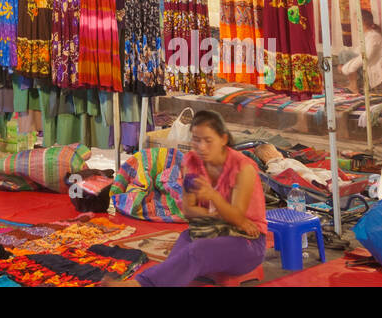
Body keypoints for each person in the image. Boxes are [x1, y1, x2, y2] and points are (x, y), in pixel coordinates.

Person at [111, 110, 266, 287]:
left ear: (223, 139)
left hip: (248, 242)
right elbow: (189, 211)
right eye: (196, 140)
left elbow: (239, 219)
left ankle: (141, 284)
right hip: (212, 230)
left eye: (208, 141)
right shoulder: (191, 162)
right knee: (186, 240)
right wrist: (219, 215)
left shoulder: (243, 168)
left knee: (199, 250)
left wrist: (213, 197)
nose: (201, 147)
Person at [339, 10, 382, 93]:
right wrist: (343, 65)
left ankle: (354, 86)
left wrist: (345, 68)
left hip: (371, 68)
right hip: (365, 66)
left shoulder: (374, 36)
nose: (354, 24)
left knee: (345, 54)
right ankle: (353, 84)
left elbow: (366, 57)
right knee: (343, 53)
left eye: (355, 21)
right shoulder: (367, 35)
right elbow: (357, 52)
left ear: (362, 21)